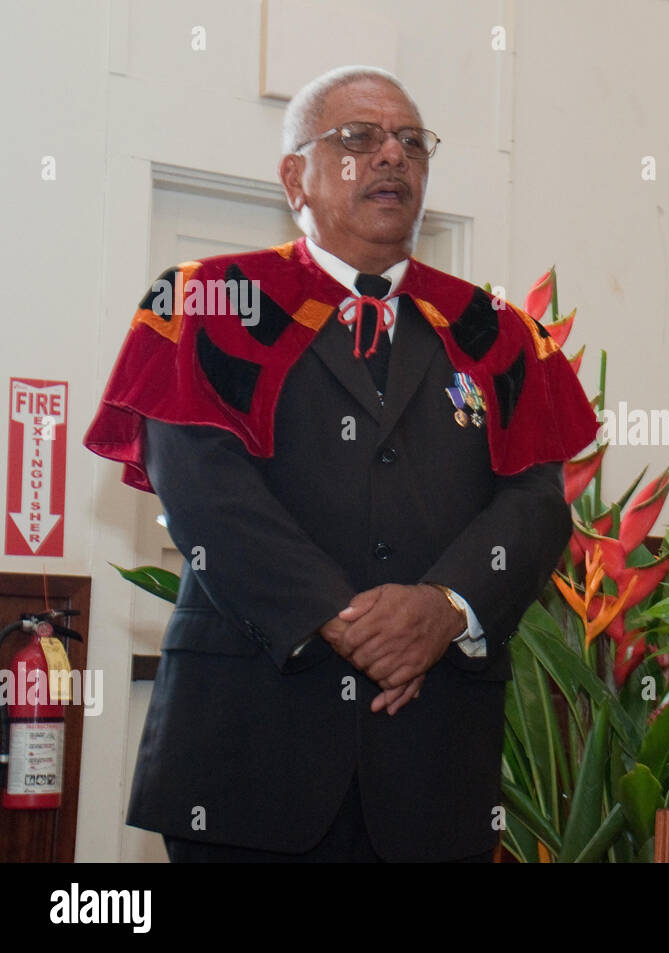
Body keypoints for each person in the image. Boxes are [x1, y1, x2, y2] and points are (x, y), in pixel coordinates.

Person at [84, 66, 597, 861]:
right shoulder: (205, 302)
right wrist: (352, 622)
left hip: (434, 766)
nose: (391, 156)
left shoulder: (496, 331)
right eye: (359, 138)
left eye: (412, 142)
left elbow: (535, 504)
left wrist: (446, 606)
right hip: (248, 752)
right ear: (296, 175)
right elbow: (208, 499)